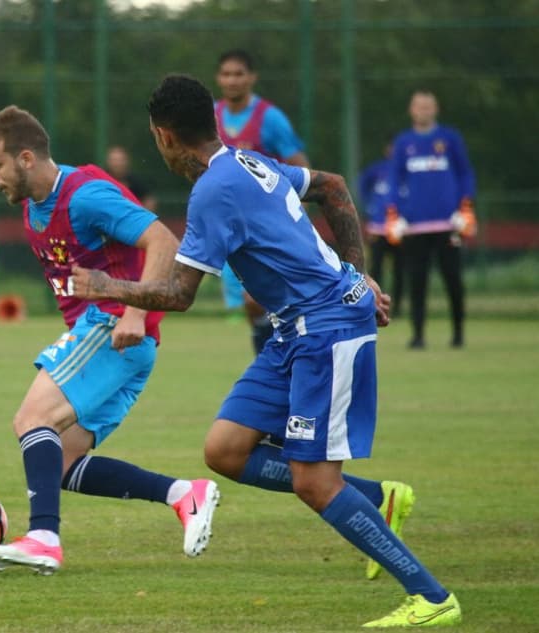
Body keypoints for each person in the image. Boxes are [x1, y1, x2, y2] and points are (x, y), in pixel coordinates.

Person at [70, 75, 461, 628]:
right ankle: (378, 501)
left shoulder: (212, 189)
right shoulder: (248, 162)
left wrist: (106, 286)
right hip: (294, 330)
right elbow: (333, 186)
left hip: (324, 330)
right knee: (225, 449)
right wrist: (356, 275)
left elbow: (179, 294)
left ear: (164, 136)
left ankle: (431, 596)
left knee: (314, 482)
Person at [0, 105, 220, 575]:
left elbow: (163, 240)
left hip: (113, 329)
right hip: (121, 345)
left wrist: (136, 311)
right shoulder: (32, 206)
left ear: (25, 158)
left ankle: (43, 538)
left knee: (31, 419)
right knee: (59, 463)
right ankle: (183, 494)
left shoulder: (84, 195)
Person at [214, 48, 310, 354]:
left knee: (259, 299)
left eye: (239, 73)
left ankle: (276, 364)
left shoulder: (270, 118)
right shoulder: (210, 117)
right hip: (228, 227)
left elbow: (301, 167)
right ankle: (274, 362)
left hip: (267, 225)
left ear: (252, 78)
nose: (232, 80)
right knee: (253, 307)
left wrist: (298, 223)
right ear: (218, 78)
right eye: (226, 74)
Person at [388, 90, 476, 349]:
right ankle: (418, 335)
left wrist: (465, 207)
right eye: (419, 106)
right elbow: (395, 178)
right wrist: (395, 214)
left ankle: (458, 333)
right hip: (415, 226)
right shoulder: (404, 142)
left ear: (435, 109)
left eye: (428, 106)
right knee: (417, 282)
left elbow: (465, 174)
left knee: (453, 279)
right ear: (411, 110)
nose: (424, 111)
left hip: (448, 223)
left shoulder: (449, 138)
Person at [359, 139, 405, 318]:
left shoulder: (405, 170)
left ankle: (398, 307)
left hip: (400, 229)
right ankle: (375, 304)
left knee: (400, 269)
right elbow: (362, 183)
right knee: (376, 269)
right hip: (378, 227)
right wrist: (368, 206)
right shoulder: (378, 169)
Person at [104, 144, 158, 212]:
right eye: (115, 160)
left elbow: (149, 200)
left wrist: (142, 217)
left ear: (126, 161)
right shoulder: (102, 180)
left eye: (121, 160)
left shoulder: (135, 181)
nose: (118, 163)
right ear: (108, 161)